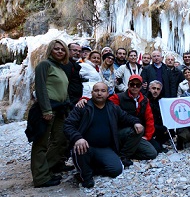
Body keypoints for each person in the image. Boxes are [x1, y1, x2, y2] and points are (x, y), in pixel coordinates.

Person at [64, 82, 144, 188]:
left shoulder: (113, 108)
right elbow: (68, 124)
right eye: (96, 91)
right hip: (85, 146)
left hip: (104, 148)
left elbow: (126, 117)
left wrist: (136, 122)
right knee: (80, 148)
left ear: (108, 94)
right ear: (92, 93)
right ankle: (85, 176)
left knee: (117, 170)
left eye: (103, 91)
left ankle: (91, 168)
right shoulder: (83, 107)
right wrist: (77, 138)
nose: (99, 93)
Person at [31, 39, 71, 188]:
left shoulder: (60, 68)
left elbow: (63, 90)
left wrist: (67, 105)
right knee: (41, 143)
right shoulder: (44, 65)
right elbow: (40, 88)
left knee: (61, 139)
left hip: (60, 109)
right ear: (50, 50)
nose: (60, 51)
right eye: (56, 49)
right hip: (48, 109)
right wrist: (46, 110)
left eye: (62, 49)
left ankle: (47, 168)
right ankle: (40, 178)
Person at [109, 75, 157, 161]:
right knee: (135, 131)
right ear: (128, 85)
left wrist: (147, 136)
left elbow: (149, 119)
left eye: (137, 85)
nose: (135, 87)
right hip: (121, 131)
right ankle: (123, 156)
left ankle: (125, 151)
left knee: (152, 153)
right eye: (132, 84)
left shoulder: (144, 100)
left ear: (141, 86)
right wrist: (85, 99)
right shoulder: (117, 97)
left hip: (137, 133)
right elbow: (102, 100)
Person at [147, 80, 171, 151]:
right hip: (147, 127)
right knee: (156, 149)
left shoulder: (161, 101)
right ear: (149, 89)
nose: (155, 91)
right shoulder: (144, 100)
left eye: (158, 89)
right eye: (153, 88)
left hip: (157, 126)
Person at [62, 42, 83, 107]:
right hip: (69, 101)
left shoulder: (76, 65)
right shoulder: (65, 64)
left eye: (79, 51)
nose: (77, 53)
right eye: (74, 50)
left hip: (76, 99)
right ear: (67, 51)